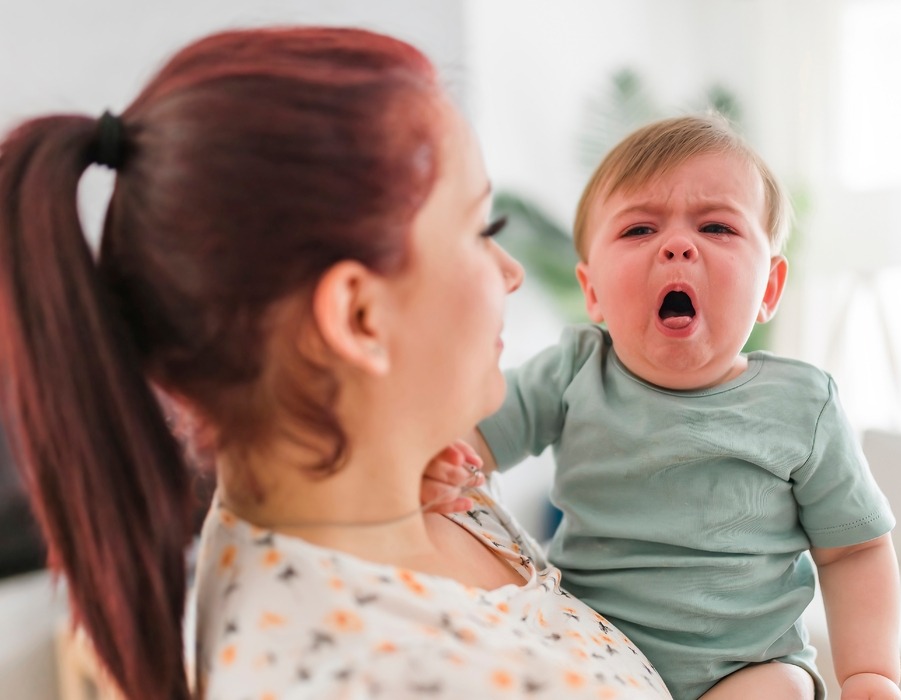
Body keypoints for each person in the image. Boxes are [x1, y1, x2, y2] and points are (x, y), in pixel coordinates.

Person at [0, 27, 674, 700]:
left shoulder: (405, 490)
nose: (513, 273)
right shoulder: (365, 675)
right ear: (358, 318)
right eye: (481, 230)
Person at [467, 115, 901, 700]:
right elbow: (475, 436)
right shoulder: (573, 370)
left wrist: (870, 674)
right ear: (591, 289)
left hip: (748, 666)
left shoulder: (803, 405)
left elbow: (854, 550)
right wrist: (448, 459)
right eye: (639, 229)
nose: (678, 245)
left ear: (769, 289)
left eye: (718, 227)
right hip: (592, 648)